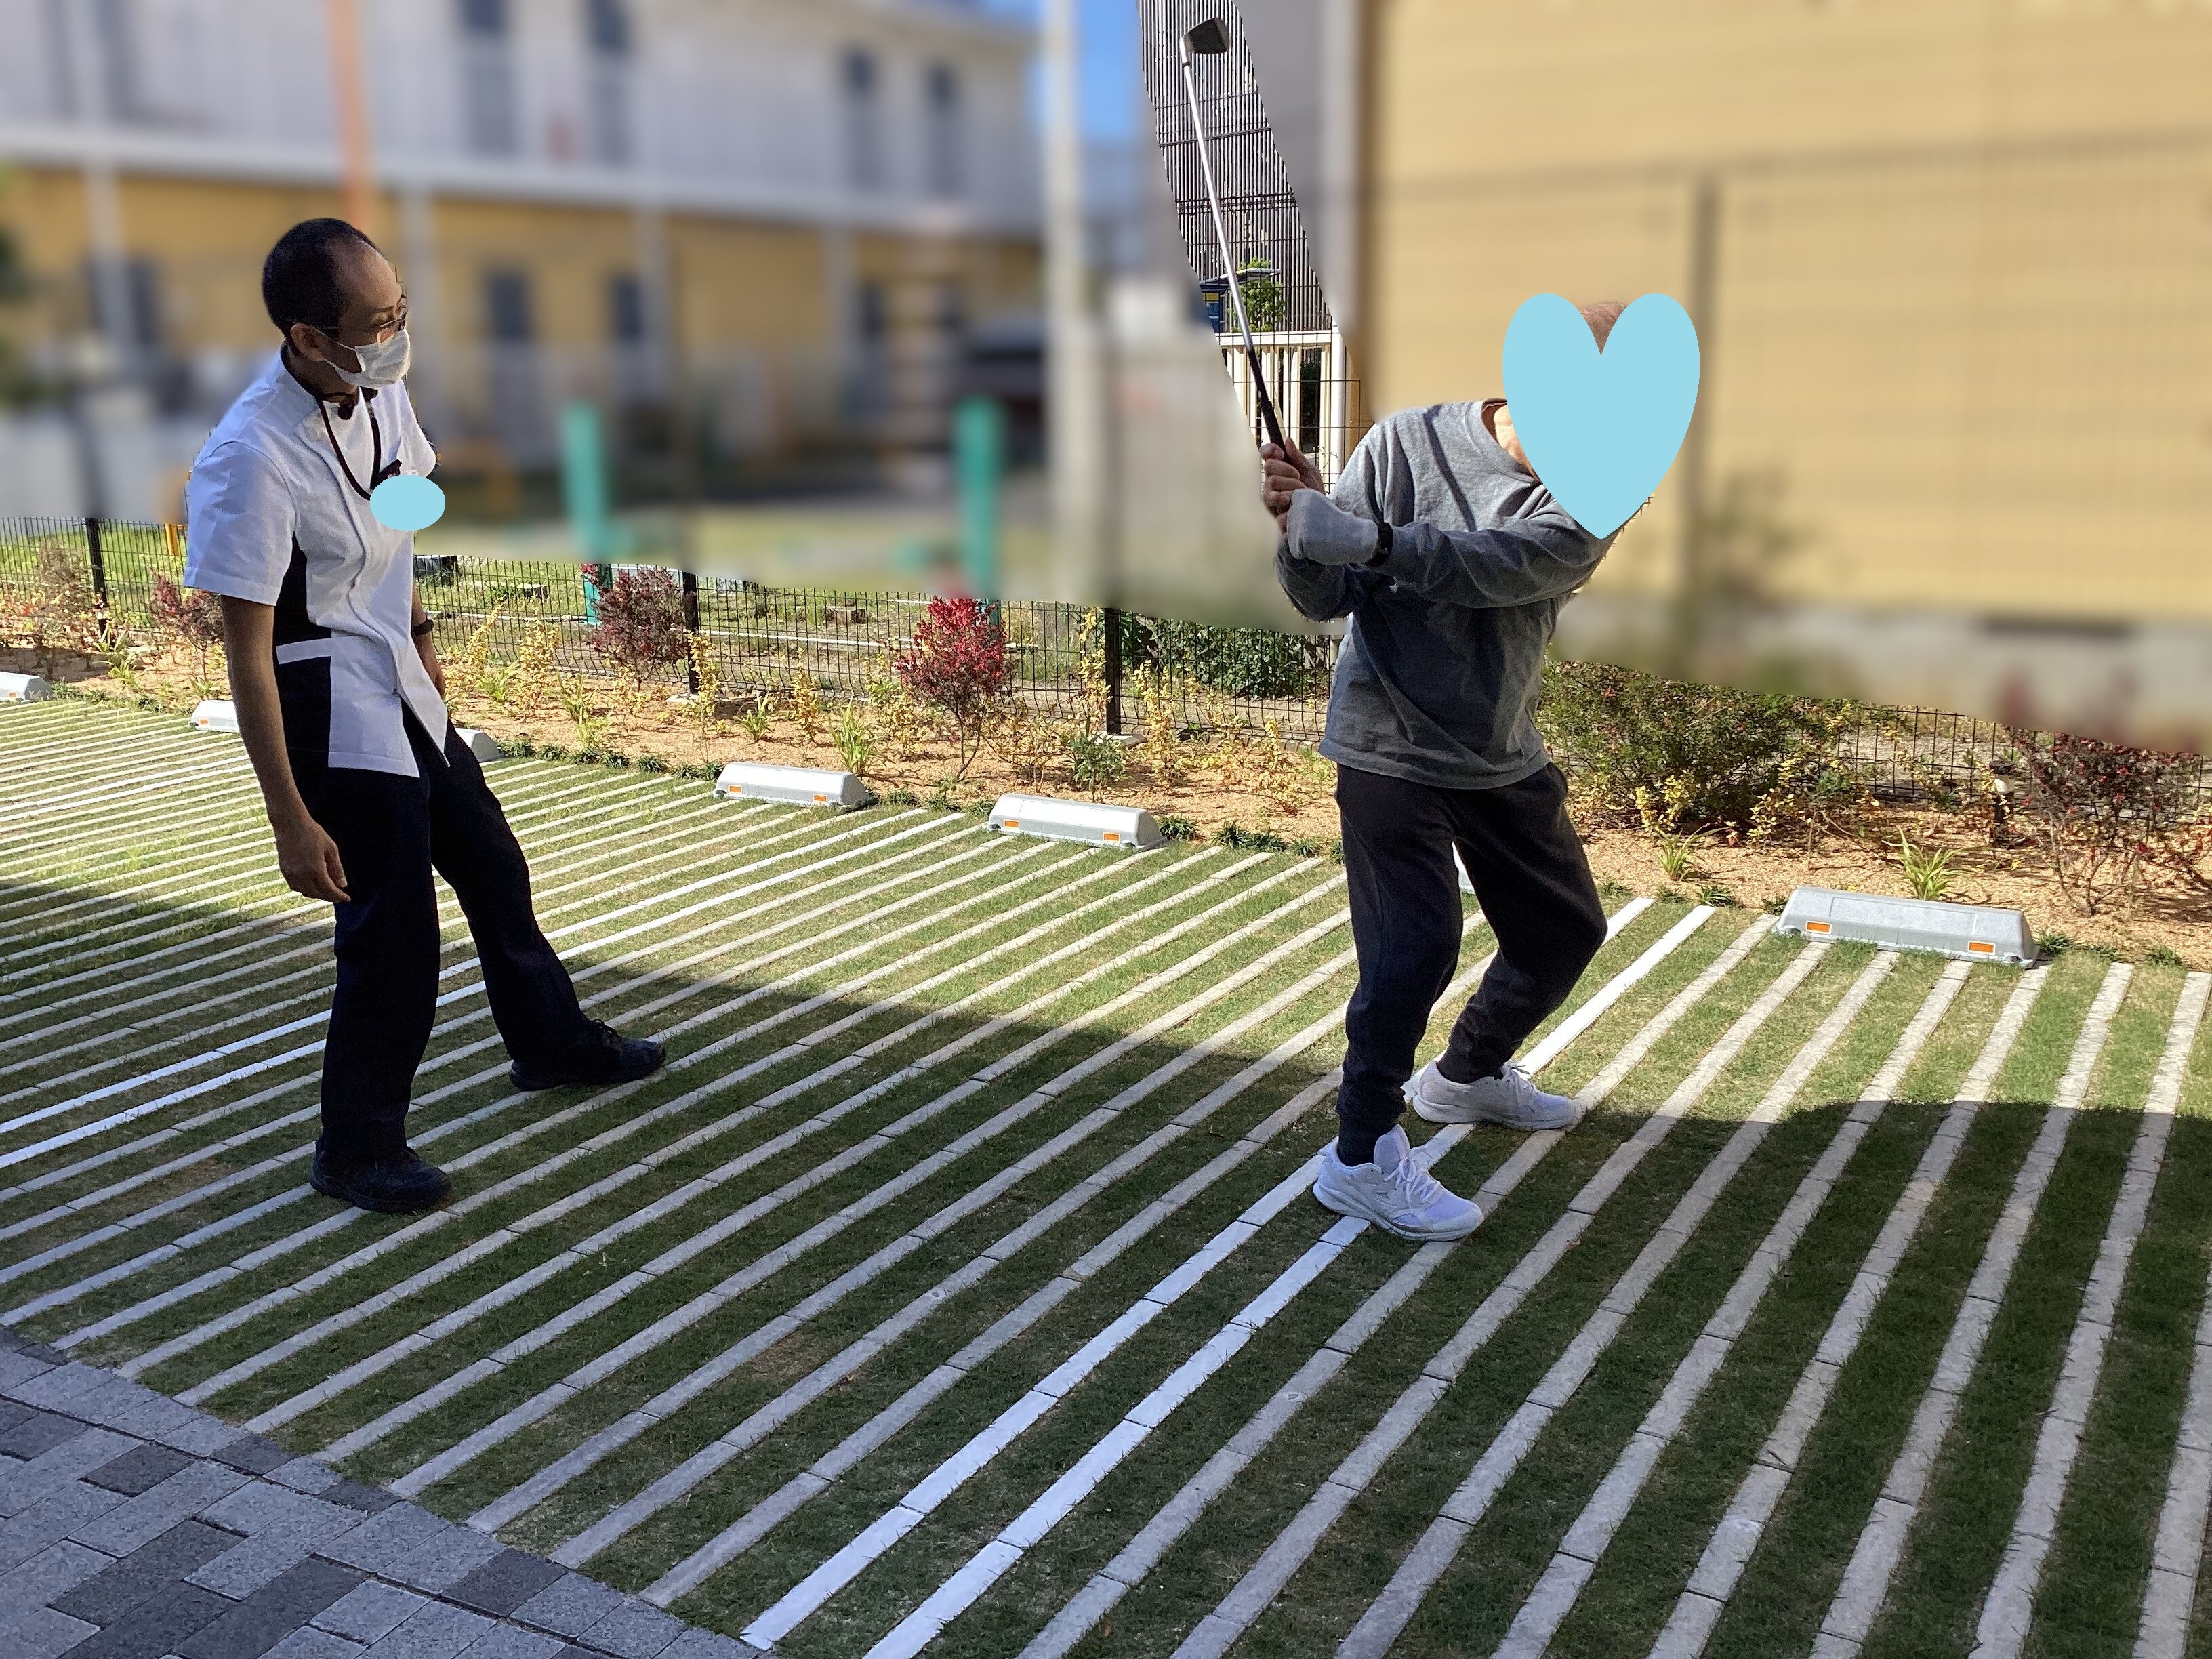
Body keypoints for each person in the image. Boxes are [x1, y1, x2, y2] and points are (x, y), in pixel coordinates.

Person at [183, 219, 664, 1216]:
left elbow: (400, 512)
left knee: (491, 861)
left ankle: (551, 1044)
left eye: (401, 310)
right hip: (323, 701)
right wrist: (289, 818)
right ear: (308, 338)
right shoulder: (247, 457)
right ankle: (356, 1147)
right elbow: (247, 652)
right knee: (392, 928)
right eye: (376, 323)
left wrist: (424, 640)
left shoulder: (381, 389)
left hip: (398, 673)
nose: (397, 336)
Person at [1263, 302, 1626, 1243]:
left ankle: (1466, 1075)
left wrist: (1372, 540)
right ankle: (1360, 1156)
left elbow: (1505, 567)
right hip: (1385, 734)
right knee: (1415, 948)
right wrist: (1302, 532)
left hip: (1497, 742)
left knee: (1562, 930)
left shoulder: (1603, 479)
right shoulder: (1403, 443)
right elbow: (1325, 597)